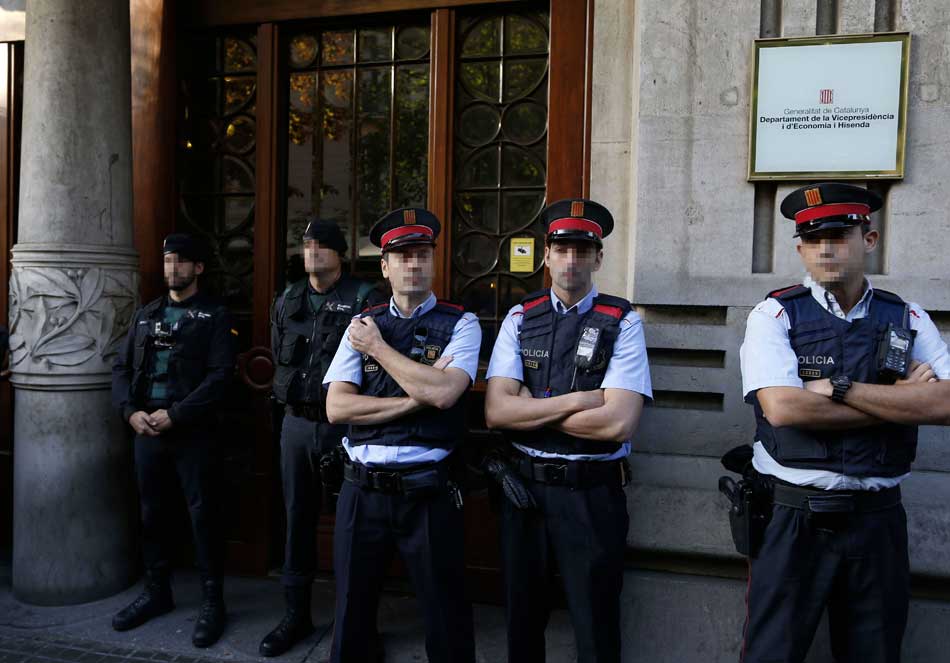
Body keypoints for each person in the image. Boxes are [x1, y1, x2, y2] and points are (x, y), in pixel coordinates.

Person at [738, 182, 950, 663]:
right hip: (794, 518)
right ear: (799, 249)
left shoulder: (908, 317)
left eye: (839, 235)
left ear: (868, 241)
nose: (826, 249)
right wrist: (898, 400)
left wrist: (841, 389)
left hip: (877, 521)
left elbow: (945, 404)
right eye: (813, 240)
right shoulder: (774, 315)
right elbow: (785, 409)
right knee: (772, 654)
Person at [483, 198, 652, 663]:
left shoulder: (623, 322)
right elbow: (496, 412)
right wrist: (577, 401)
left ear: (598, 258)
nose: (571, 259)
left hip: (591, 494)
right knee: (522, 620)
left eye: (583, 249)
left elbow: (618, 421)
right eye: (562, 248)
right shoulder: (521, 317)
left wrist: (532, 407)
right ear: (546, 254)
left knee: (595, 624)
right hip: (525, 493)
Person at [323, 207, 480, 663]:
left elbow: (448, 394)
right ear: (385, 267)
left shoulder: (461, 323)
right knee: (350, 616)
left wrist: (377, 350)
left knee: (445, 618)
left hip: (427, 492)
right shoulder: (362, 323)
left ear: (433, 262)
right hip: (361, 492)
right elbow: (337, 407)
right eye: (403, 255)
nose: (414, 264)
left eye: (423, 255)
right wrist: (414, 399)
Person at [111, 233, 237, 648]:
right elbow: (121, 368)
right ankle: (157, 593)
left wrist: (178, 414)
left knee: (204, 518)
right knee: (151, 516)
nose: (172, 268)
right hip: (147, 431)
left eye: (181, 261)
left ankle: (212, 602)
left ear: (198, 268)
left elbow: (220, 377)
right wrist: (130, 412)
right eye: (167, 260)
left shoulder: (215, 316)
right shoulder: (146, 315)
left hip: (193, 434)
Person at [259, 219, 378, 657]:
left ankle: (357, 625)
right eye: (307, 244)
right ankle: (296, 614)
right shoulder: (288, 298)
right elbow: (278, 355)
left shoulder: (363, 299)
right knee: (297, 521)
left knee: (356, 527)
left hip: (346, 427)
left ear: (340, 254)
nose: (312, 252)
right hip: (296, 424)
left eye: (322, 245)